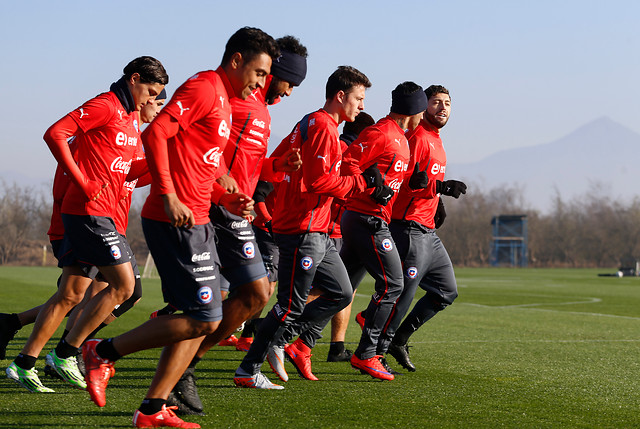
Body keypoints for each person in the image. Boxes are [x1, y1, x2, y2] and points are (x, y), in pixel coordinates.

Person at [80, 27, 280, 429]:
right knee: (206, 317)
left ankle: (152, 409)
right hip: (173, 218)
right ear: (236, 60)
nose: (261, 83)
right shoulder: (206, 87)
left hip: (199, 217)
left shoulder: (224, 99)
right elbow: (156, 132)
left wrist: (229, 195)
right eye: (258, 73)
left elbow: (204, 159)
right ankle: (102, 352)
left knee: (201, 313)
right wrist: (169, 194)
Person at [5, 56, 168, 394]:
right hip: (91, 214)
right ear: (134, 79)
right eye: (150, 92)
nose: (151, 100)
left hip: (102, 215)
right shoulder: (107, 106)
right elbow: (55, 133)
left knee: (71, 294)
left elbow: (126, 176)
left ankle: (24, 363)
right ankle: (67, 353)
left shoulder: (128, 120)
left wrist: (163, 161)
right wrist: (82, 181)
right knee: (125, 287)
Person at [166, 35, 307, 416]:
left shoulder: (262, 109)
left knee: (255, 295)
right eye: (289, 82)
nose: (290, 91)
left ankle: (185, 365)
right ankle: (124, 356)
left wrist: (277, 167)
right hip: (215, 209)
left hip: (237, 211)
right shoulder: (234, 101)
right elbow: (203, 152)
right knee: (228, 300)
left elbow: (248, 167)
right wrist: (210, 191)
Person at [233, 65, 375, 389]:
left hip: (318, 230)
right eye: (359, 98)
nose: (362, 106)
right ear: (340, 96)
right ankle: (249, 366)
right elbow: (317, 180)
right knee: (290, 305)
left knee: (341, 292)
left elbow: (281, 159)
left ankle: (282, 341)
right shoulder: (323, 126)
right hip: (302, 228)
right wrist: (359, 183)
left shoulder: (309, 121)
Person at [339, 81, 427, 381]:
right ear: (414, 110)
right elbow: (347, 163)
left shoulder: (401, 138)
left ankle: (296, 342)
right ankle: (366, 354)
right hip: (366, 218)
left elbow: (390, 180)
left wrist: (424, 185)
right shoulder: (381, 132)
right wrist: (369, 178)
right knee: (393, 285)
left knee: (339, 291)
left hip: (370, 218)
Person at [383, 85, 467, 372]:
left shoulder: (437, 140)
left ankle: (398, 340)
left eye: (447, 103)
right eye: (436, 102)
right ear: (424, 106)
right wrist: (439, 187)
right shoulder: (417, 137)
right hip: (408, 227)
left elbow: (424, 183)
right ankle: (373, 351)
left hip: (428, 230)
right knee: (403, 293)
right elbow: (402, 180)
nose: (442, 108)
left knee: (446, 291)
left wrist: (437, 200)